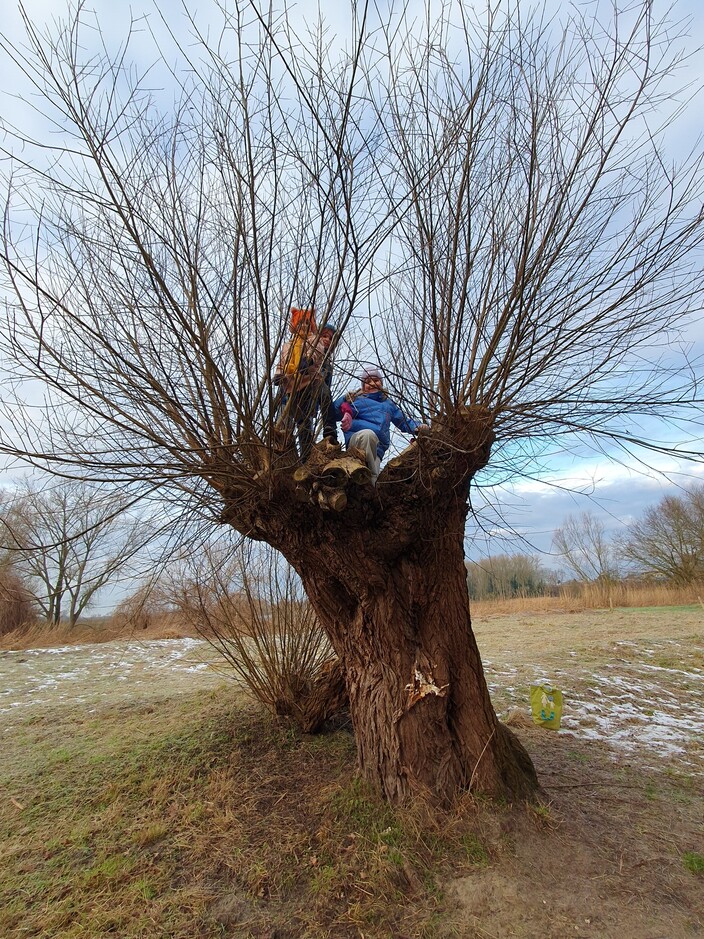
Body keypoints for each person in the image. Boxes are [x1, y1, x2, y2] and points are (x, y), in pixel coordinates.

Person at [333, 366, 427, 485]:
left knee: (372, 478)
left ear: (381, 383)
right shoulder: (356, 399)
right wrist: (344, 400)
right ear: (363, 386)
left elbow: (403, 421)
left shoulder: (388, 404)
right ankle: (370, 480)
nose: (372, 383)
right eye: (367, 382)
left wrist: (417, 427)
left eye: (376, 380)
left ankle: (371, 487)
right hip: (357, 442)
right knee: (368, 435)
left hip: (377, 451)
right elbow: (333, 413)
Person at [273, 308, 326, 462]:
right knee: (284, 421)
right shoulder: (288, 345)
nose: (303, 326)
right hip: (290, 385)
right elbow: (282, 362)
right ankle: (281, 455)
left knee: (304, 423)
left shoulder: (314, 340)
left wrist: (308, 360)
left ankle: (306, 457)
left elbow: (317, 352)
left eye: (307, 323)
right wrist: (279, 374)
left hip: (306, 383)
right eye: (300, 323)